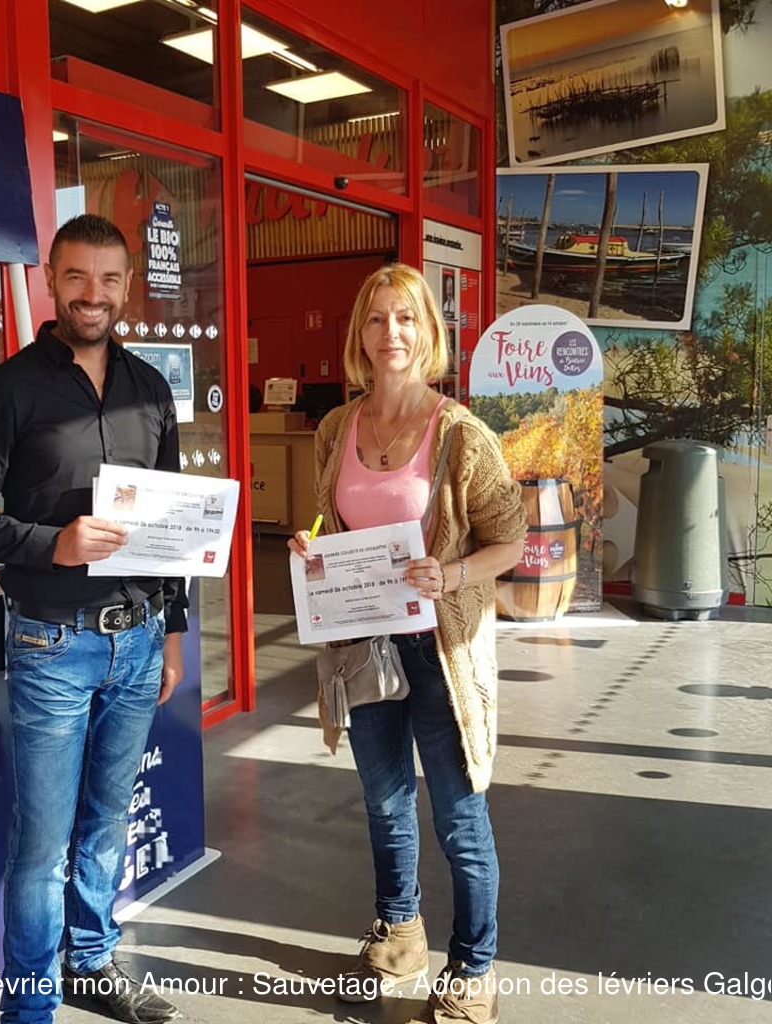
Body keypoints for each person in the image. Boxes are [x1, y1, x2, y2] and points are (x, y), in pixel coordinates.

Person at [0, 214, 187, 1024]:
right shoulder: (10, 389)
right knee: (41, 845)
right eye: (77, 277)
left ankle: (93, 963)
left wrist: (175, 629)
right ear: (50, 280)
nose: (92, 294)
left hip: (139, 639)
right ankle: (30, 1009)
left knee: (107, 821)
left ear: (127, 285)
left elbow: (176, 524)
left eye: (108, 279)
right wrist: (53, 544)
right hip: (52, 642)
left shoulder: (149, 388)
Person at [288, 263, 526, 1024]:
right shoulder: (338, 427)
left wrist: (451, 574)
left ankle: (474, 969)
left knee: (459, 816)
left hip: (437, 653)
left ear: (427, 331)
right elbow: (329, 518)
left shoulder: (461, 435)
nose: (390, 332)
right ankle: (400, 933)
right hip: (364, 645)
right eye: (376, 318)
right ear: (359, 333)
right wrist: (311, 545)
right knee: (385, 802)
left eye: (405, 318)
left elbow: (511, 540)